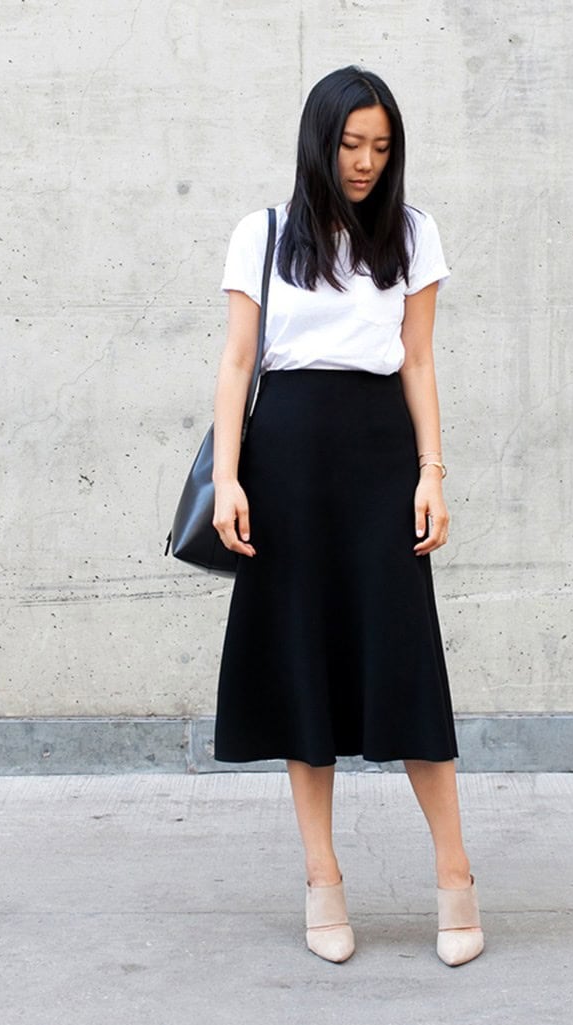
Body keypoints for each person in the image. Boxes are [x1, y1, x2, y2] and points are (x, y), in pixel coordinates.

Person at [210, 65, 484, 967]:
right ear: (317, 141)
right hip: (284, 460)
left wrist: (431, 470)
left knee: (404, 663)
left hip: (377, 461)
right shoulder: (264, 234)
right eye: (350, 144)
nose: (364, 162)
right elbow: (238, 357)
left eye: (380, 146)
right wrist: (231, 475)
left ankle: (455, 875)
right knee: (303, 670)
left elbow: (417, 360)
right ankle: (321, 878)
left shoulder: (412, 233)